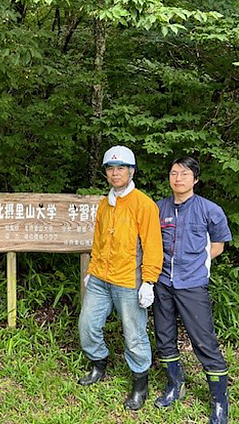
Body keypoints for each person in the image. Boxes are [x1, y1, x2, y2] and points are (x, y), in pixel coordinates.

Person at [78, 145, 163, 410]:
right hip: (100, 279)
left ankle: (140, 385)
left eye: (121, 168)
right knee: (87, 325)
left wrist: (148, 281)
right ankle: (98, 364)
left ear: (131, 171)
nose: (115, 173)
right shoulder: (105, 204)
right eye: (111, 168)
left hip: (128, 281)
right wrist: (91, 271)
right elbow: (99, 241)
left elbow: (152, 245)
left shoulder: (144, 205)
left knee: (134, 335)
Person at [154, 157, 232, 424]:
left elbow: (218, 245)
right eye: (174, 173)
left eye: (185, 174)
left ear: (195, 179)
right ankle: (175, 385)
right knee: (164, 336)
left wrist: (196, 264)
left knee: (204, 341)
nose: (178, 178)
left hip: (193, 284)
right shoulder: (158, 208)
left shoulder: (209, 210)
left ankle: (220, 402)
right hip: (162, 282)